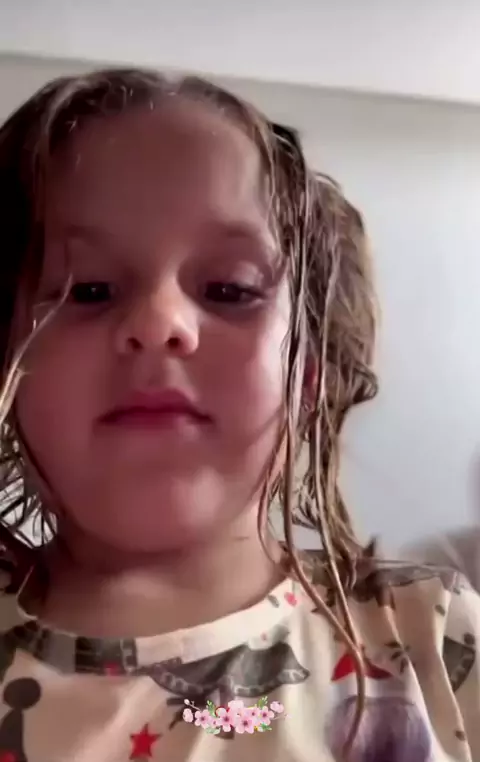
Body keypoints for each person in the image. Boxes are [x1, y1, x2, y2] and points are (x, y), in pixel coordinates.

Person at [0, 68, 476, 762]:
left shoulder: (433, 637)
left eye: (229, 290)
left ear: (309, 374)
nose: (159, 322)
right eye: (90, 289)